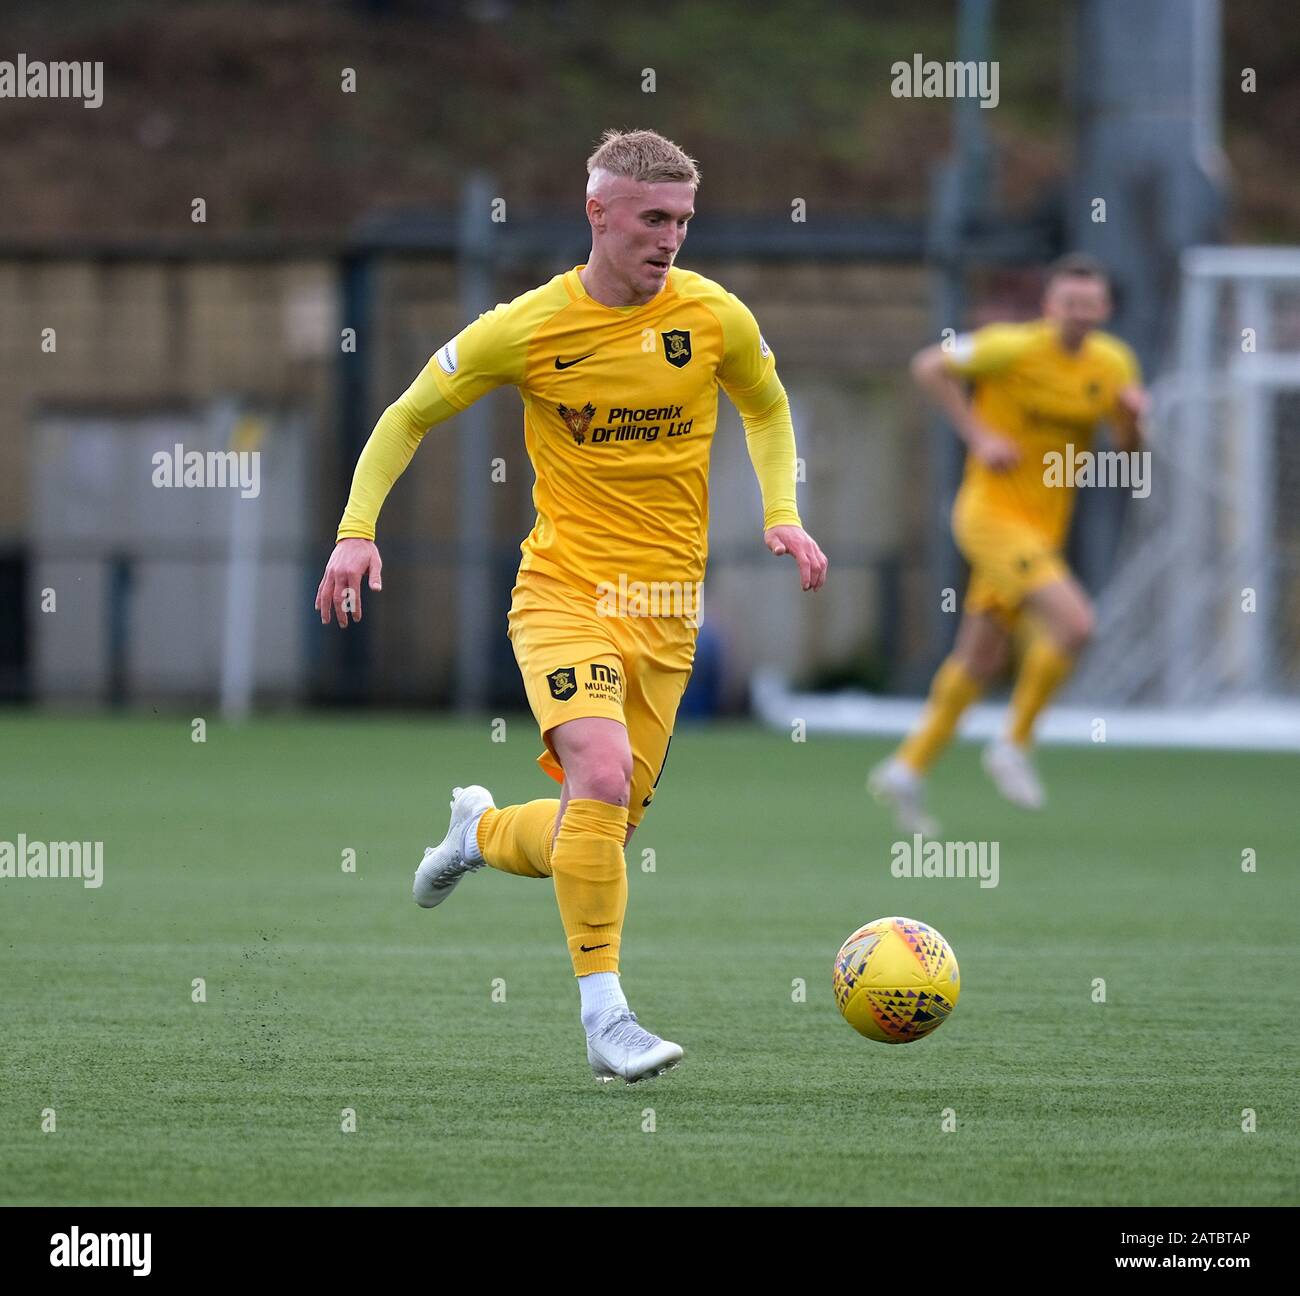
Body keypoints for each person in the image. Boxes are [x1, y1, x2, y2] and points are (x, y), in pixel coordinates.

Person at [315, 129, 828, 1083]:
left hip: (669, 612)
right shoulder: (529, 326)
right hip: (564, 595)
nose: (669, 238)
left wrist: (784, 514)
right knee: (596, 774)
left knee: (591, 830)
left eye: (681, 220)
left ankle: (475, 831)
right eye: (651, 219)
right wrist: (356, 529)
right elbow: (407, 415)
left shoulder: (713, 317)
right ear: (598, 214)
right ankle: (607, 1019)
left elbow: (766, 403)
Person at [871, 254, 1147, 835]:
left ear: (1105, 309)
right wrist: (980, 433)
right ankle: (1014, 743)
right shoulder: (1011, 347)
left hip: (1042, 532)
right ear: (1049, 306)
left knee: (980, 656)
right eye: (1068, 303)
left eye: (1089, 305)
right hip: (990, 517)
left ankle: (907, 768)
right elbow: (929, 366)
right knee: (1076, 625)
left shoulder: (1115, 364)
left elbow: (1131, 460)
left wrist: (1131, 421)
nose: (1079, 314)